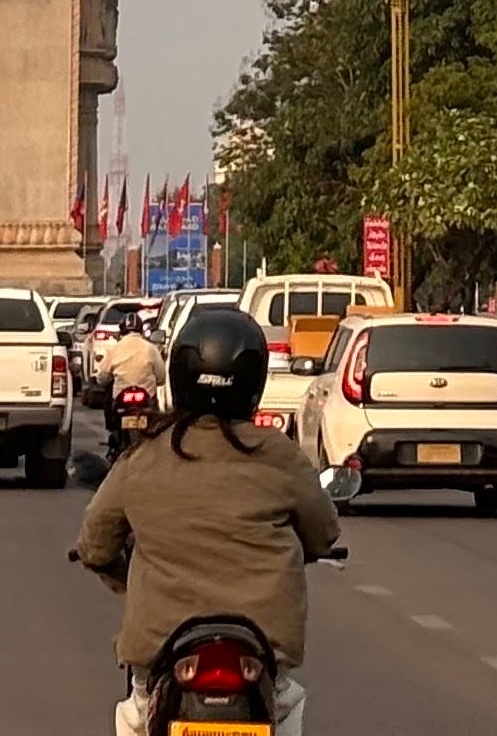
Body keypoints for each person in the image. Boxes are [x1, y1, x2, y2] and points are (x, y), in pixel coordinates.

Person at [74, 309, 339, 736]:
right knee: (286, 704)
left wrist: (118, 571)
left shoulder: (143, 456)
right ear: (254, 381)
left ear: (179, 375)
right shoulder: (280, 455)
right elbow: (324, 533)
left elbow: (95, 543)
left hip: (159, 642)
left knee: (135, 714)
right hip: (263, 646)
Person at [99, 313, 167, 456]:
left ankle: (112, 428)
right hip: (146, 399)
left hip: (120, 400)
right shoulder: (150, 348)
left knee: (107, 393)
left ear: (121, 331)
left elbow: (102, 378)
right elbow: (161, 378)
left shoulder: (115, 349)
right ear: (141, 330)